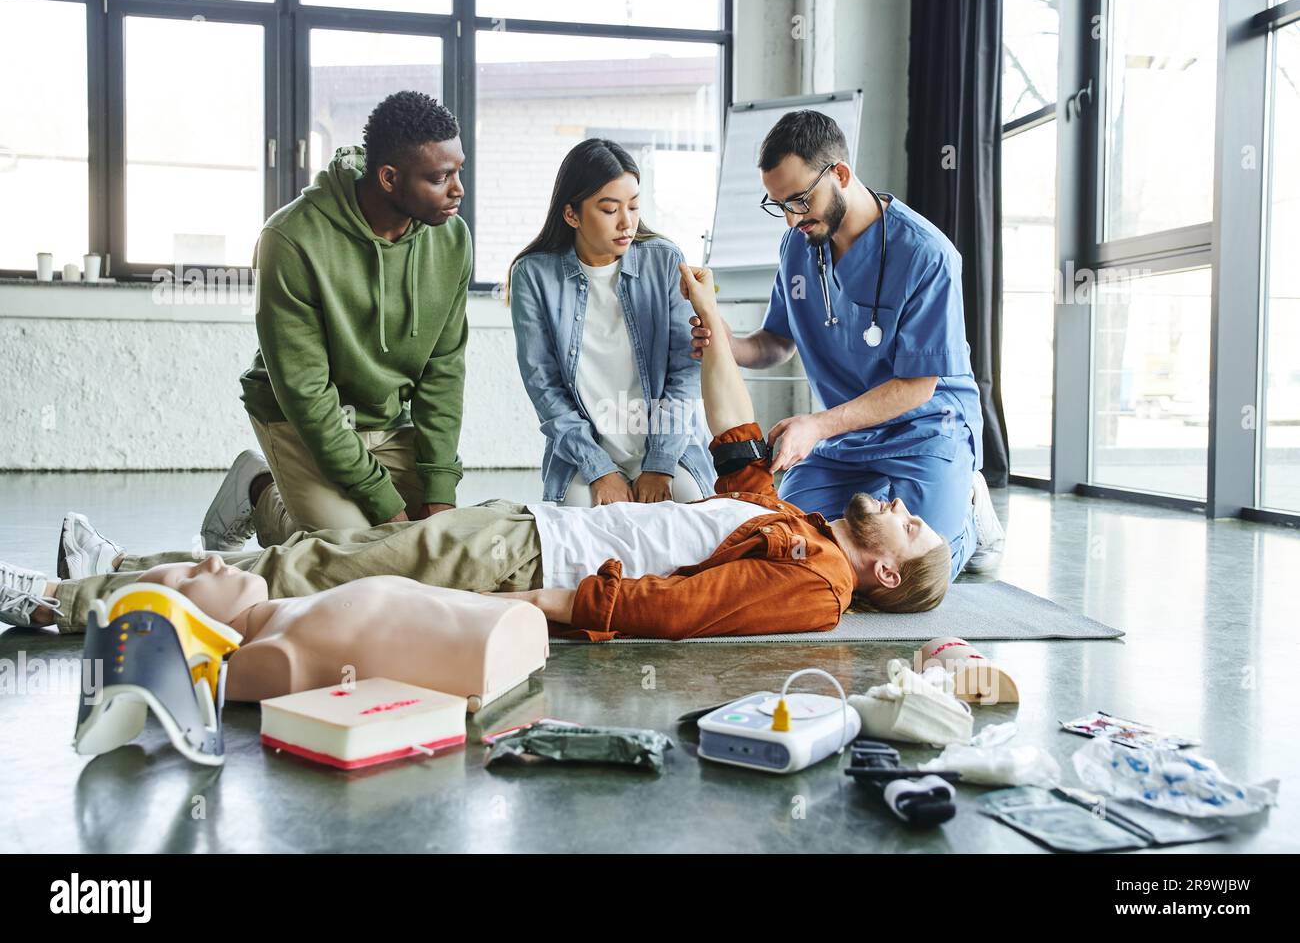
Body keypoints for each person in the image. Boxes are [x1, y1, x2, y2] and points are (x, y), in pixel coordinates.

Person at [0, 266, 952, 643]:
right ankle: (115, 570)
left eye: (910, 529)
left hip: (524, 563)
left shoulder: (818, 585)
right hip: (526, 529)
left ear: (884, 572)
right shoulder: (790, 522)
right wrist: (706, 311)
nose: (902, 505)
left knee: (302, 573)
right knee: (314, 560)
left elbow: (680, 609)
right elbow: (738, 438)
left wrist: (533, 608)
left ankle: (57, 603)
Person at [689, 110, 1005, 578]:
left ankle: (970, 512)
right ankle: (887, 502)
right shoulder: (798, 244)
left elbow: (917, 386)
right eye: (779, 205)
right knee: (791, 544)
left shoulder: (927, 254)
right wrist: (726, 342)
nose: (792, 218)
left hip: (926, 430)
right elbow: (777, 342)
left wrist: (816, 426)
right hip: (847, 438)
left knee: (918, 568)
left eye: (800, 200)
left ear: (840, 173)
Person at [202, 91, 473, 552]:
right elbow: (306, 394)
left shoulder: (452, 239)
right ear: (389, 178)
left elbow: (443, 369)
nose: (458, 189)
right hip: (300, 421)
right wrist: (381, 499)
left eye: (459, 171)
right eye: (440, 177)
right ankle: (259, 491)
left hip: (387, 420)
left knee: (438, 547)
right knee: (355, 553)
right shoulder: (290, 239)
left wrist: (440, 488)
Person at [508, 139, 715, 507]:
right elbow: (544, 386)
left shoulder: (665, 261)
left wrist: (660, 463)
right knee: (579, 519)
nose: (626, 222)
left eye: (633, 206)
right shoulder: (533, 274)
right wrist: (598, 468)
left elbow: (685, 371)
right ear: (571, 214)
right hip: (586, 450)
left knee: (690, 508)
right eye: (609, 209)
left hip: (666, 444)